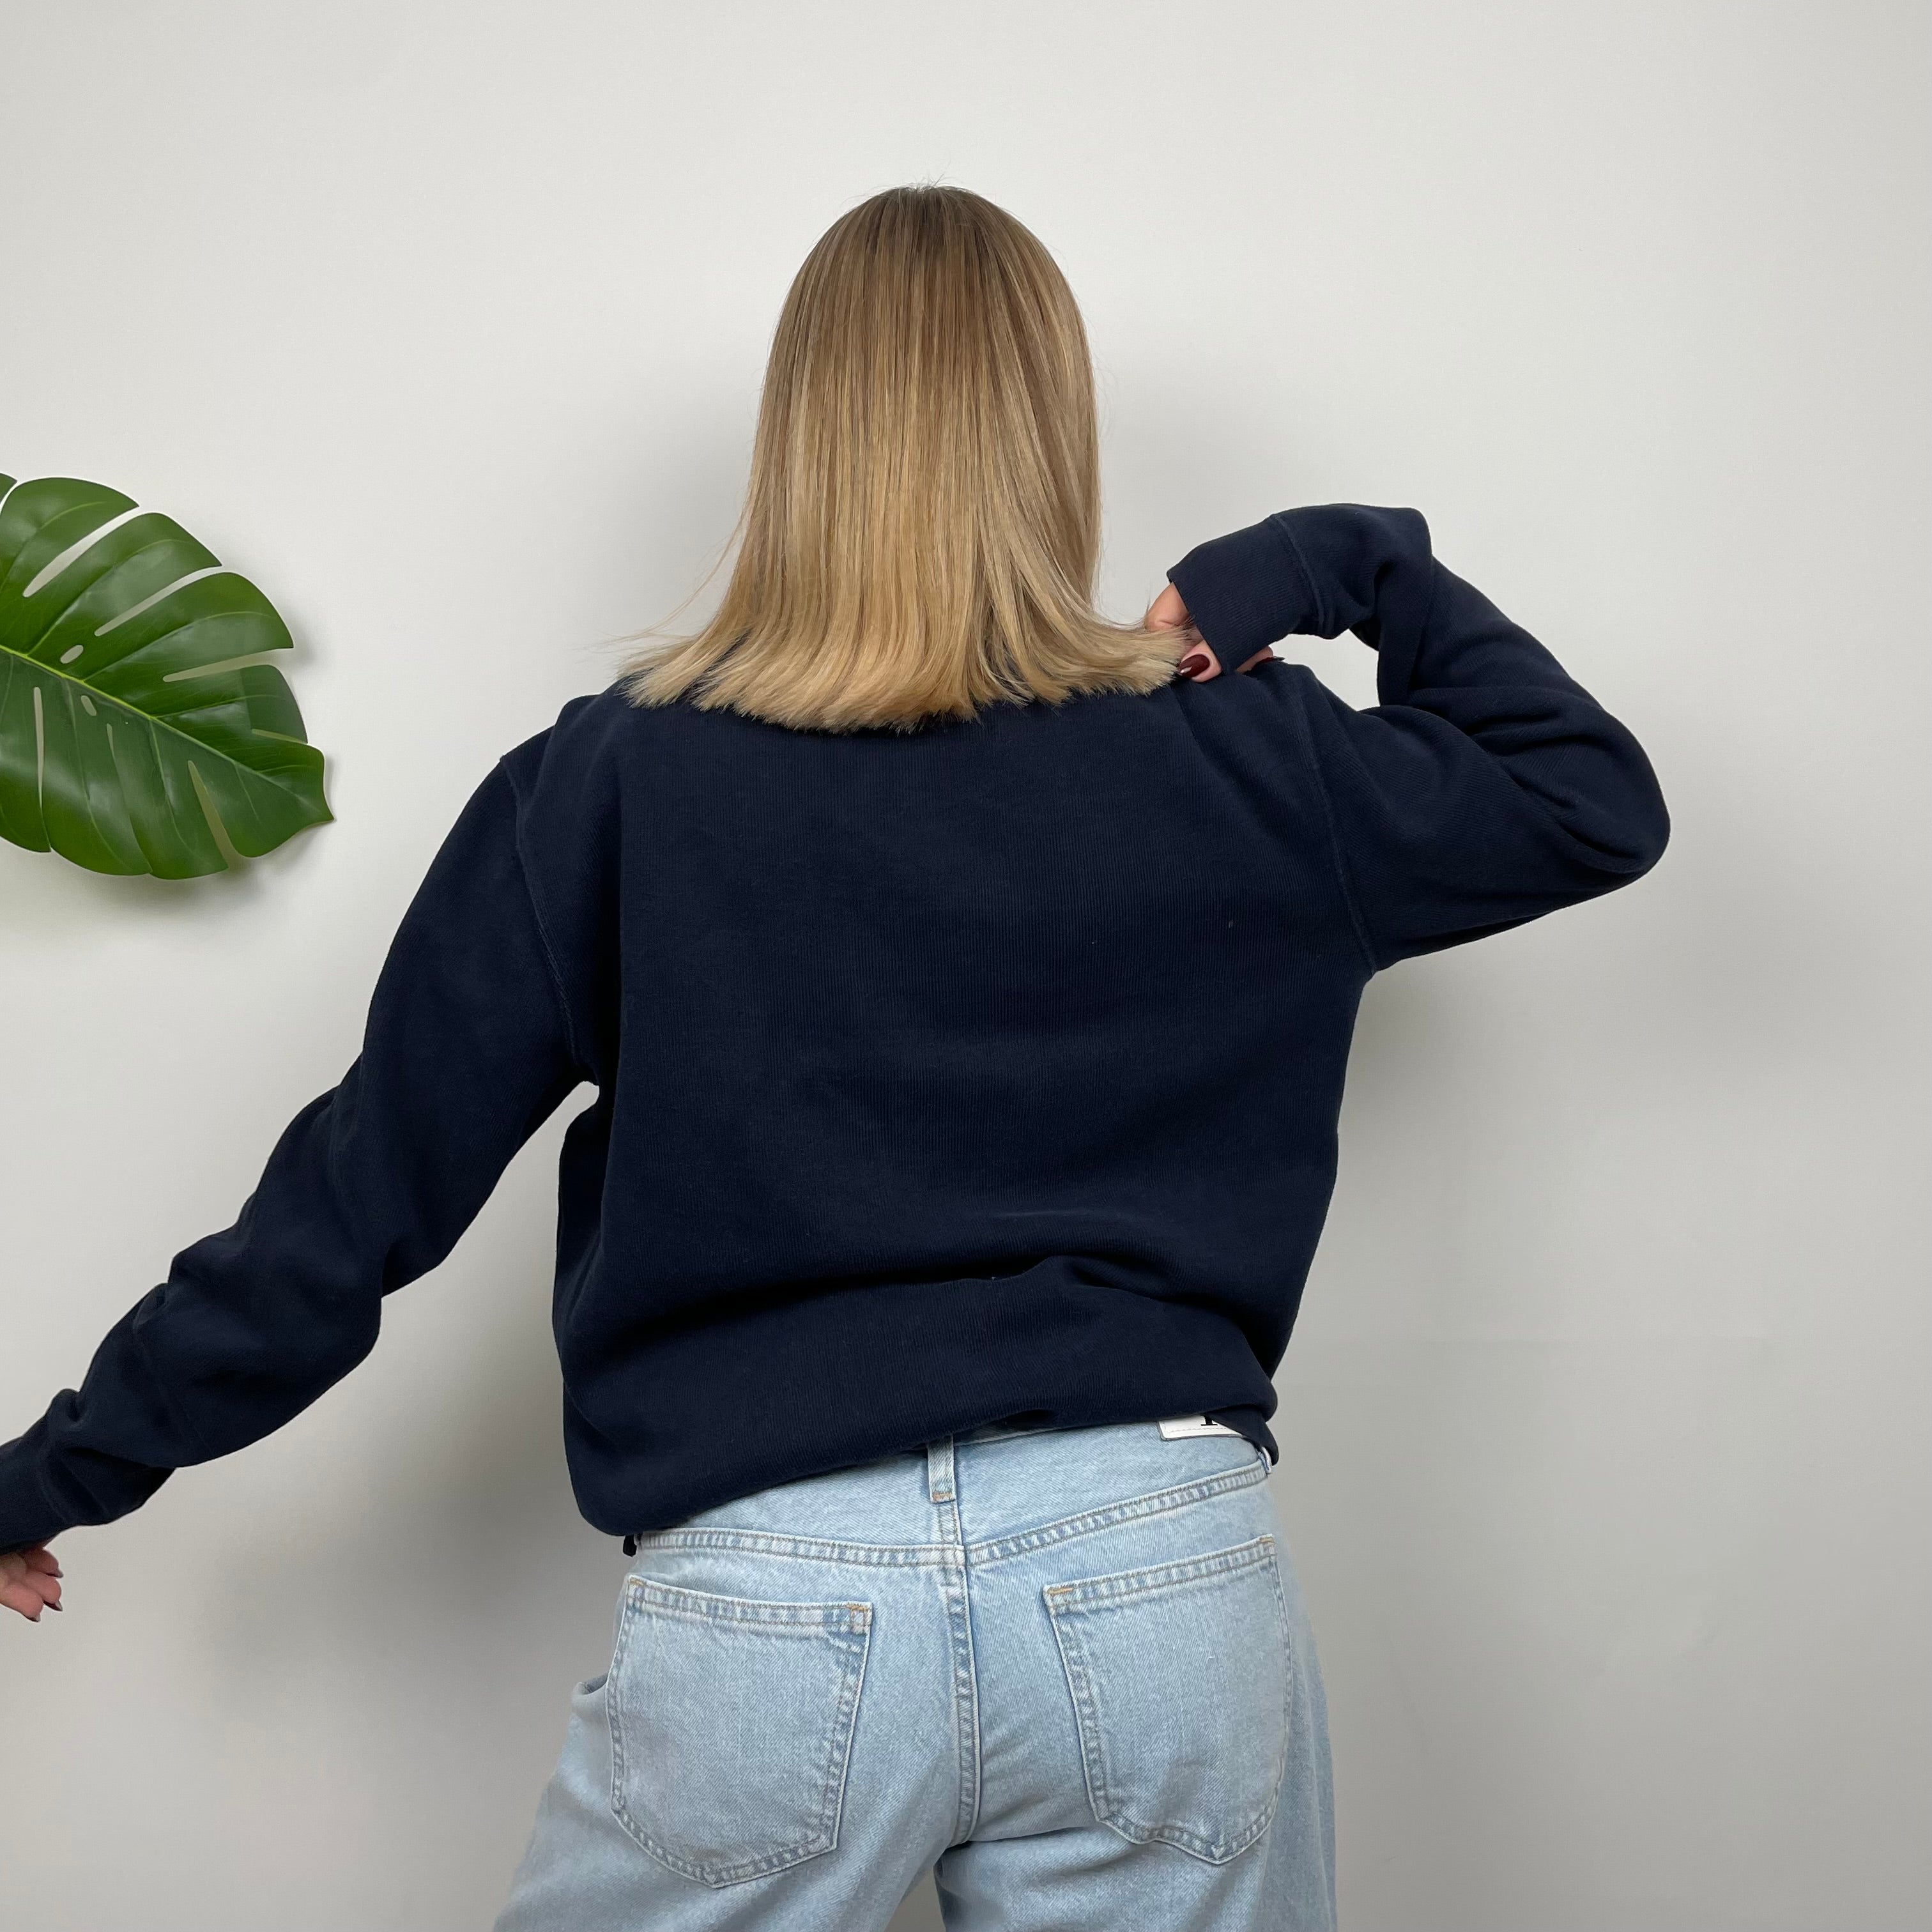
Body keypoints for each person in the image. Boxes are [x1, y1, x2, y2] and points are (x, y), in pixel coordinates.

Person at [0, 185, 1668, 1931]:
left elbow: (359, 1201)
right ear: (1054, 436)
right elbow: (1588, 798)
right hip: (1155, 1578)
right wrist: (1345, 559)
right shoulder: (1250, 764)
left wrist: (59, 1471)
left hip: (774, 1603)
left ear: (805, 440)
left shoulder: (617, 786)